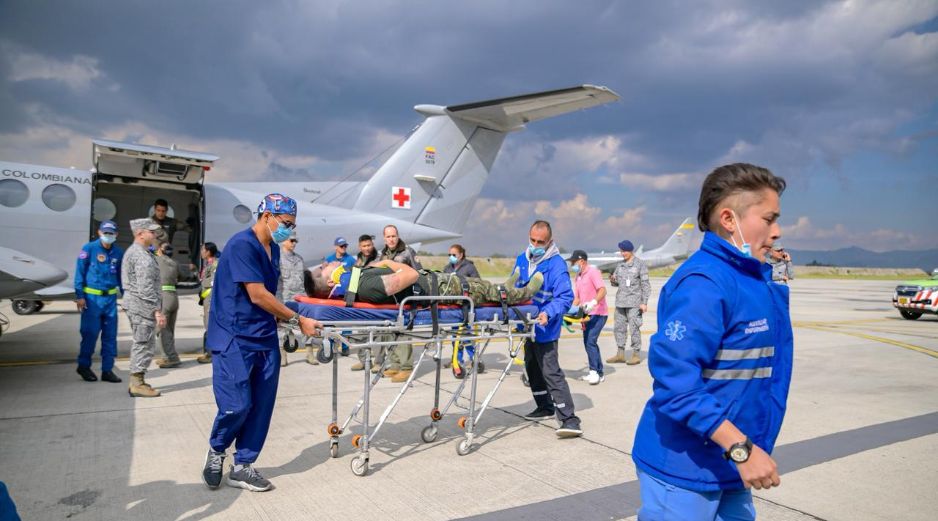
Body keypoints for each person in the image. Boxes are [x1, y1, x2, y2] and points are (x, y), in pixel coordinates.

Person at [632, 163, 792, 520]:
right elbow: (676, 384)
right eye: (769, 219)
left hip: (727, 464)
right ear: (729, 219)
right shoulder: (705, 284)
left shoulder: (749, 278)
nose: (777, 231)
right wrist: (741, 449)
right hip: (685, 470)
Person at [201, 194, 322, 493]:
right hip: (235, 336)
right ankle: (217, 450)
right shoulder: (242, 244)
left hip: (264, 335)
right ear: (266, 216)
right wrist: (297, 320)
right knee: (236, 405)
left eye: (292, 226)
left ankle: (243, 466)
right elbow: (256, 294)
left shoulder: (274, 251)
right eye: (285, 224)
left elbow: (269, 296)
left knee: (261, 405)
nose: (288, 231)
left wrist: (282, 317)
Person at [512, 220, 581, 438]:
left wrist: (548, 313)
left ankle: (569, 419)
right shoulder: (522, 259)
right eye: (532, 240)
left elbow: (565, 297)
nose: (535, 244)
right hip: (526, 325)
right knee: (531, 368)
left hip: (545, 326)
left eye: (540, 242)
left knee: (550, 371)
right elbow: (515, 288)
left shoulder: (556, 264)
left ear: (549, 241)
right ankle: (544, 406)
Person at [305, 259, 542, 306]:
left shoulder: (356, 278)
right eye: (323, 268)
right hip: (446, 290)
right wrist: (389, 261)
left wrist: (382, 264)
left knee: (486, 286)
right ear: (328, 280)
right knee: (488, 291)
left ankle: (508, 286)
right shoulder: (364, 287)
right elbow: (410, 275)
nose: (328, 264)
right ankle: (523, 293)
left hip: (442, 283)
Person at [74, 220, 124, 383]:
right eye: (106, 232)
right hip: (92, 300)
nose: (108, 236)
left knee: (110, 336)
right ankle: (83, 366)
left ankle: (107, 370)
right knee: (90, 334)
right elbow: (79, 273)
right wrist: (80, 295)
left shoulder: (118, 252)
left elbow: (121, 277)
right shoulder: (89, 249)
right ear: (99, 232)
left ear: (116, 235)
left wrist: (126, 296)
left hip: (110, 300)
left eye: (111, 233)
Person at [122, 218, 167, 398]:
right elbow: (145, 287)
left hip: (138, 305)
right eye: (152, 231)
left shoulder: (139, 252)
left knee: (143, 342)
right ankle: (137, 384)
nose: (155, 235)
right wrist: (156, 311)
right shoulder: (140, 256)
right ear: (141, 233)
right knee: (143, 343)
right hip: (142, 307)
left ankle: (137, 380)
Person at [379, 224, 423, 383]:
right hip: (389, 298)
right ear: (384, 238)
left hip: (405, 297)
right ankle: (395, 364)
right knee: (390, 331)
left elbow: (419, 272)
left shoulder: (407, 252)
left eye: (393, 236)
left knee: (403, 332)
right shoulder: (382, 255)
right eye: (388, 236)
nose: (391, 239)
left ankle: (406, 368)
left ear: (397, 236)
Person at [443, 244, 483, 378]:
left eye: (453, 255)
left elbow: (478, 283)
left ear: (461, 254)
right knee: (455, 334)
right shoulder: (447, 268)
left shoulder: (469, 267)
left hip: (466, 304)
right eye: (449, 255)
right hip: (453, 306)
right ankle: (457, 359)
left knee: (466, 333)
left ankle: (474, 357)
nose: (451, 257)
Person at [608, 239, 650, 366]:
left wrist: (644, 302)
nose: (623, 253)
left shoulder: (640, 264)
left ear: (631, 251)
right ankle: (620, 354)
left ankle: (636, 354)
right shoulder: (620, 265)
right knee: (619, 329)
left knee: (634, 328)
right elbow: (617, 283)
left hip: (634, 303)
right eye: (621, 251)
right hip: (620, 302)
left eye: (625, 251)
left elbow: (645, 285)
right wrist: (612, 280)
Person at [569, 250, 608, 385]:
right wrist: (570, 310)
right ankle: (599, 372)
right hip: (586, 314)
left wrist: (593, 302)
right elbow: (577, 298)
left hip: (599, 312)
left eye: (573, 261)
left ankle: (594, 372)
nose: (572, 264)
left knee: (590, 341)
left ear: (582, 261)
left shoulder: (593, 272)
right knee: (588, 342)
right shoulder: (578, 276)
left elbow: (603, 290)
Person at [277, 230, 312, 366]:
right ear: (284, 241)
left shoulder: (299, 259)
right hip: (284, 297)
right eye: (291, 240)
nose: (294, 243)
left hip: (300, 297)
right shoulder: (277, 259)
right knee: (283, 327)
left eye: (295, 241)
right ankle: (283, 355)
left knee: (305, 323)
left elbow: (307, 277)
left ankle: (310, 352)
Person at [350, 234, 382, 372]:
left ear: (372, 245)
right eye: (364, 246)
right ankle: (363, 361)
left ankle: (379, 362)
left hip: (376, 303)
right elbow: (353, 281)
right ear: (360, 246)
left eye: (369, 245)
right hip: (361, 302)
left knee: (379, 334)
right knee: (361, 333)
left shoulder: (379, 259)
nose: (367, 248)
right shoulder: (357, 261)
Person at [154, 242, 182, 368]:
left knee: (162, 329)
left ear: (160, 250)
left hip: (163, 296)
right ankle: (171, 356)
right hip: (173, 296)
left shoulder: (156, 260)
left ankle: (170, 357)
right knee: (170, 328)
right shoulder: (175, 263)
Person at [196, 242, 219, 364]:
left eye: (202, 250)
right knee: (207, 324)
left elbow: (213, 283)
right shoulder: (207, 265)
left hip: (211, 300)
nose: (201, 252)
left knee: (210, 326)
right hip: (206, 299)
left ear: (208, 252)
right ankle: (208, 352)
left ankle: (210, 354)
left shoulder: (215, 264)